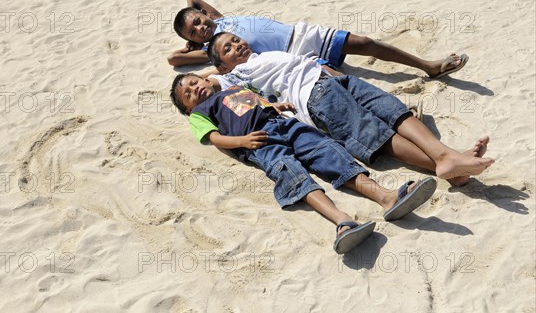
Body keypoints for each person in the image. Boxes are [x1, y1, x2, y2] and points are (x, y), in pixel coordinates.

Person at [170, 73, 439, 254]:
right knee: (294, 176)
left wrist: (275, 106)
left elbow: (259, 101)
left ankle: (386, 197)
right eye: (188, 94)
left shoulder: (232, 88)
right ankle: (342, 221)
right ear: (188, 109)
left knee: (328, 153)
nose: (195, 89)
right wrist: (241, 141)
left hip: (284, 124)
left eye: (194, 82)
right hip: (261, 142)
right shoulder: (200, 114)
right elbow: (215, 137)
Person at [205, 32, 494, 186]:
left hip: (335, 80)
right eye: (227, 50)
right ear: (222, 66)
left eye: (235, 40)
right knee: (376, 135)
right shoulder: (234, 77)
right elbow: (205, 82)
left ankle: (450, 159)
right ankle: (446, 163)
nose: (235, 46)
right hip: (314, 99)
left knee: (393, 111)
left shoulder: (262, 53)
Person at [168, 0, 468, 79]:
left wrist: (199, 18)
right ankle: (395, 113)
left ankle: (427, 65)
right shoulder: (216, 49)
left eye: (198, 21)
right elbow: (173, 59)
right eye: (193, 31)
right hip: (293, 56)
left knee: (365, 43)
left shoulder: (221, 18)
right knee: (340, 81)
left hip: (302, 32)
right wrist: (195, 45)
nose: (200, 28)